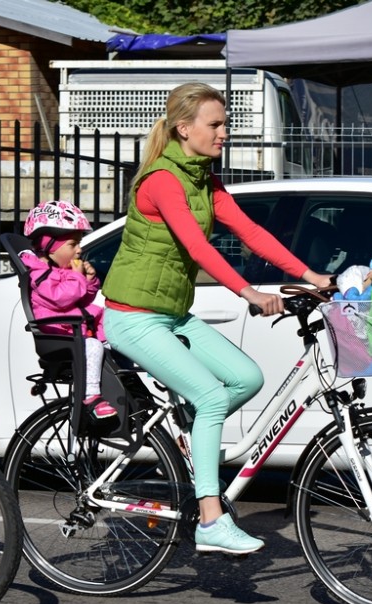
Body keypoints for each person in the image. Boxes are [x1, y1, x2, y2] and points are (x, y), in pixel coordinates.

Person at [101, 82, 333, 556]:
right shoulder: (163, 180)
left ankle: (191, 442)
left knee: (247, 378)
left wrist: (311, 275)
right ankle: (210, 519)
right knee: (210, 397)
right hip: (133, 318)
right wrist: (249, 293)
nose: (225, 132)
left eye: (225, 123)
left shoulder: (205, 179)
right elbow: (197, 247)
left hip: (172, 314)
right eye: (216, 124)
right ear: (184, 129)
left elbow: (250, 231)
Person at [20, 200, 116, 419]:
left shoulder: (59, 270)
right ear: (49, 246)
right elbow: (62, 299)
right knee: (93, 347)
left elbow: (80, 300)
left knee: (118, 335)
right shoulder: (39, 275)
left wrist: (89, 281)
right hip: (60, 335)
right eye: (73, 244)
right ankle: (92, 396)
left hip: (76, 330)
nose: (79, 250)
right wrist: (77, 276)